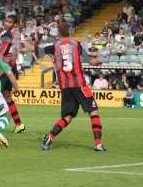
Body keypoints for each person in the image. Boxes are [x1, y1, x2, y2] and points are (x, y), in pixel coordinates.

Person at [41, 21, 106, 152]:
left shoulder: (55, 46)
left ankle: (50, 137)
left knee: (67, 117)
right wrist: (100, 60)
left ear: (58, 33)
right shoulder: (76, 44)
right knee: (93, 112)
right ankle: (98, 144)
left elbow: (41, 50)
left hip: (65, 86)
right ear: (70, 31)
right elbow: (92, 61)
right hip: (79, 84)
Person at [0, 15, 26, 133]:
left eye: (9, 22)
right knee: (7, 96)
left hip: (4, 68)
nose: (6, 23)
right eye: (6, 21)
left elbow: (3, 50)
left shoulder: (7, 35)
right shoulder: (17, 35)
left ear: (14, 24)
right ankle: (19, 124)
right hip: (12, 67)